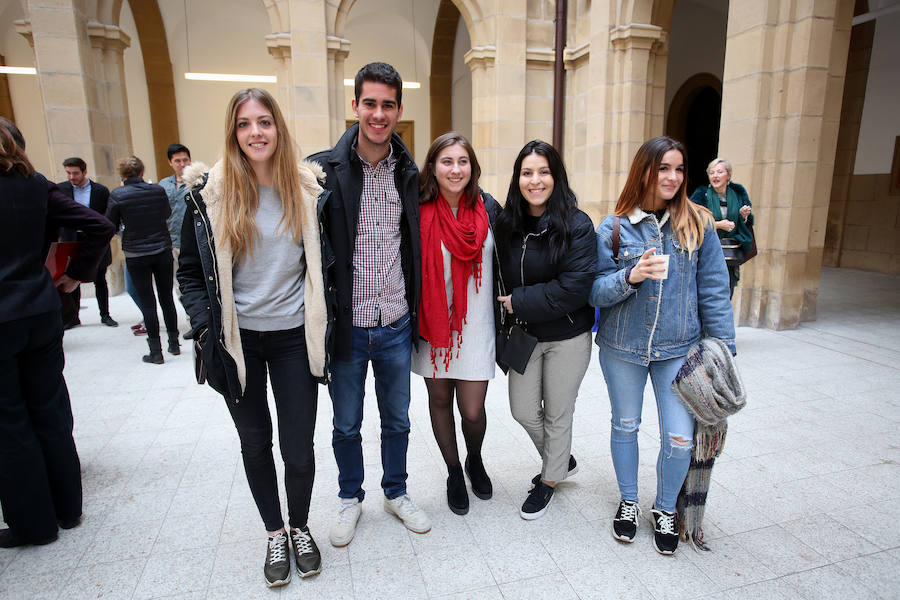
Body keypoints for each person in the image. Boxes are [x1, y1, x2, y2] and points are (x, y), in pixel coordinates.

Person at [177, 87, 329, 588]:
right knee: (255, 442)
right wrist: (205, 328)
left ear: (278, 127)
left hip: (293, 339)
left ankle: (300, 526)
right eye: (244, 124)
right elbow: (190, 272)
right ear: (233, 133)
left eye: (264, 122)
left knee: (298, 446)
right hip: (236, 342)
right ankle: (274, 532)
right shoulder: (208, 196)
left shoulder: (308, 191)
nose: (255, 132)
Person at [590, 136, 735, 555]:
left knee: (680, 439)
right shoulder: (614, 227)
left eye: (679, 169)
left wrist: (723, 350)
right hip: (623, 347)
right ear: (644, 171)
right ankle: (629, 501)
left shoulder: (698, 224)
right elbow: (594, 291)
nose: (672, 177)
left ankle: (666, 508)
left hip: (678, 350)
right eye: (663, 168)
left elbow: (714, 290)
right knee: (625, 426)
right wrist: (630, 276)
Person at [309, 62, 430, 546]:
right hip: (348, 325)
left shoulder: (410, 173)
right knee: (346, 423)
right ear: (355, 105)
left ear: (399, 109)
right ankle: (349, 497)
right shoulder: (322, 171)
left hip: (396, 321)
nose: (379, 114)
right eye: (370, 103)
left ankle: (396, 492)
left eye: (388, 105)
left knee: (398, 419)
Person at [0, 117, 114, 547]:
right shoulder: (36, 185)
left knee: (10, 423)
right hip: (42, 311)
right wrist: (76, 273)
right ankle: (68, 508)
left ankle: (34, 525)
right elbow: (100, 225)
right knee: (49, 409)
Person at [493, 140, 596, 520]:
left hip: (567, 336)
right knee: (522, 410)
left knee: (557, 413)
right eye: (527, 173)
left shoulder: (578, 225)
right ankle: (562, 459)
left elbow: (574, 288)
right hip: (525, 335)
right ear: (517, 178)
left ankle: (549, 479)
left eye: (543, 172)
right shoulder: (507, 224)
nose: (535, 180)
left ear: (556, 176)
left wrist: (518, 300)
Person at [411, 132, 500, 515]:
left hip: (477, 326)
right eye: (447, 161)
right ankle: (453, 472)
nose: (455, 169)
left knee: (473, 410)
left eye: (463, 161)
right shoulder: (417, 210)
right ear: (433, 167)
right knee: (440, 401)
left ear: (472, 168)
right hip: (433, 327)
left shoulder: (488, 208)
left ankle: (473, 459)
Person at [105, 156, 180, 363]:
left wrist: (124, 231)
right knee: (166, 297)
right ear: (142, 172)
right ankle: (174, 343)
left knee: (148, 302)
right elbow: (167, 213)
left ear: (121, 174)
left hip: (135, 253)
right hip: (162, 249)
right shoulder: (157, 190)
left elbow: (110, 223)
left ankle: (156, 352)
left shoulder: (118, 194)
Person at [57, 157, 117, 328]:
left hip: (94, 239)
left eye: (75, 173)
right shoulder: (61, 189)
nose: (71, 177)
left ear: (85, 171)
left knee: (100, 277)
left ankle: (105, 315)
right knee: (71, 277)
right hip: (72, 239)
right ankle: (73, 317)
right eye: (68, 173)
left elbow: (107, 216)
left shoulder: (100, 191)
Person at [689, 158, 753, 298]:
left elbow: (746, 223)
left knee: (726, 292)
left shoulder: (737, 193)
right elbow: (691, 220)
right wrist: (717, 225)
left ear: (728, 175)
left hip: (730, 254)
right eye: (711, 172)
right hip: (707, 251)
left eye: (719, 172)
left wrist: (743, 216)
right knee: (707, 292)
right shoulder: (702, 194)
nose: (715, 176)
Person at [158, 143, 192, 273]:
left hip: (191, 240)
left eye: (185, 160)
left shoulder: (198, 182)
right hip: (170, 241)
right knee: (175, 277)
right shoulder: (163, 184)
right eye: (177, 161)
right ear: (170, 162)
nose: (182, 164)